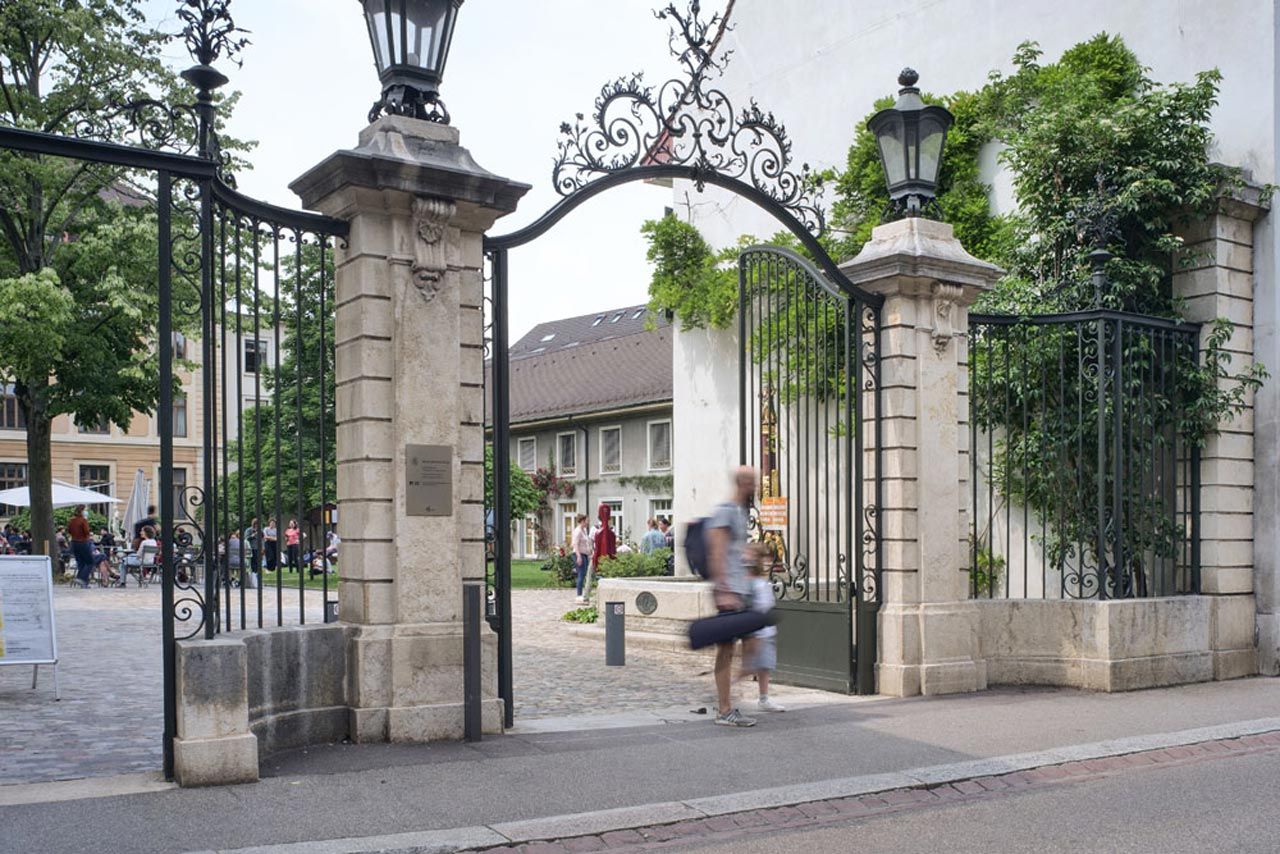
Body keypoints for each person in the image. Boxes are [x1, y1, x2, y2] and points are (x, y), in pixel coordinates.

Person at [706, 466, 758, 727]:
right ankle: (725, 709)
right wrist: (723, 589)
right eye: (752, 482)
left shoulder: (740, 512)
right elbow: (716, 552)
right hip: (729, 592)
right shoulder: (726, 511)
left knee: (752, 641)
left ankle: (732, 692)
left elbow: (734, 551)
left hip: (741, 590)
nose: (756, 486)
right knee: (726, 650)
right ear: (743, 483)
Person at [740, 543, 786, 713]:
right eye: (765, 557)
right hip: (758, 631)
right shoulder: (752, 581)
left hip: (764, 630)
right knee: (750, 667)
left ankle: (763, 698)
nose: (768, 561)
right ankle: (726, 696)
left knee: (762, 666)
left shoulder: (757, 580)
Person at [583, 503, 617, 602]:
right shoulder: (606, 530)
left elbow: (590, 542)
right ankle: (588, 595)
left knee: (590, 575)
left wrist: (593, 553)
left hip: (598, 556)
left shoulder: (599, 530)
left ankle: (587, 595)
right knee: (592, 574)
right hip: (604, 557)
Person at [68, 505, 95, 588]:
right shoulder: (83, 520)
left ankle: (83, 583)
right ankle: (81, 578)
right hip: (83, 542)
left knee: (81, 563)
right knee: (90, 562)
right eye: (85, 510)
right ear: (82, 511)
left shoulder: (71, 521)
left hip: (74, 543)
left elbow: (69, 531)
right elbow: (86, 531)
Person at [571, 513, 593, 604]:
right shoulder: (578, 531)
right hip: (579, 554)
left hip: (585, 555)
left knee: (584, 574)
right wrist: (578, 556)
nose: (587, 523)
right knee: (581, 574)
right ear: (582, 521)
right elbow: (575, 544)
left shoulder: (584, 531)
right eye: (586, 521)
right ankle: (579, 595)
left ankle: (582, 595)